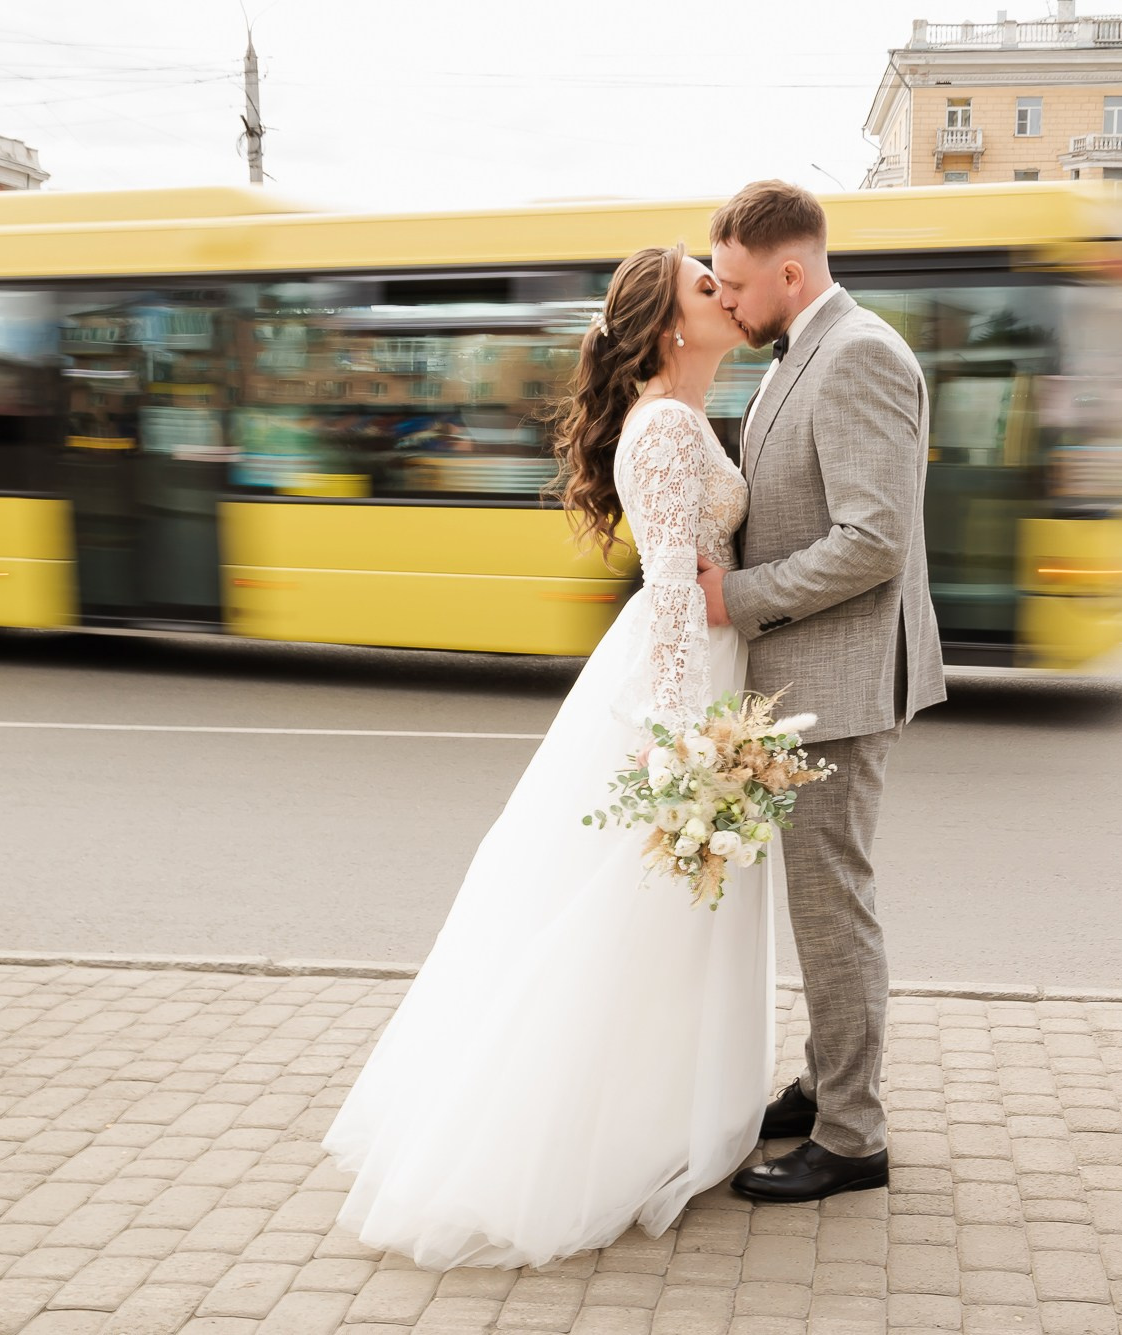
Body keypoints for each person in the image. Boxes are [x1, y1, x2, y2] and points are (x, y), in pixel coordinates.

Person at [323, 243, 774, 1269]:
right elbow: (667, 584)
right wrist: (680, 744)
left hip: (705, 667)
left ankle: (662, 1118)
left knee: (666, 919)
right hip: (678, 682)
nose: (726, 294)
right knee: (630, 916)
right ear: (669, 324)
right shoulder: (661, 425)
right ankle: (591, 1139)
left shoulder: (682, 415)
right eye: (707, 288)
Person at [702, 181, 947, 1204]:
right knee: (817, 906)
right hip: (813, 678)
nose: (724, 300)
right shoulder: (802, 352)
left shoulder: (856, 356)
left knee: (831, 909)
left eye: (735, 282)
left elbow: (870, 541)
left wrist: (740, 599)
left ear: (789, 273)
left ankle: (851, 1138)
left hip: (840, 684)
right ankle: (825, 1080)